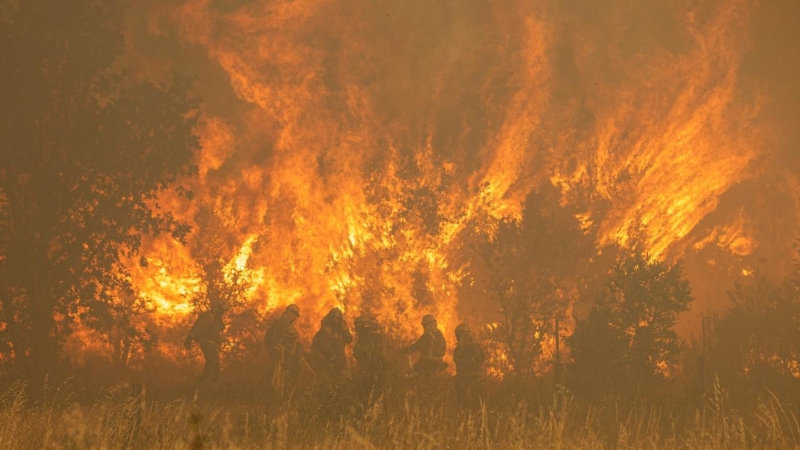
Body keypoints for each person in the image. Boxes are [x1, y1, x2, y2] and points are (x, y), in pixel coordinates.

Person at [264, 304, 305, 397]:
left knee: (280, 375)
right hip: (283, 354)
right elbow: (291, 337)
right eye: (294, 315)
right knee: (281, 376)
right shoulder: (283, 322)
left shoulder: (283, 322)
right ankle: (279, 395)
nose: (295, 318)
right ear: (289, 313)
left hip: (284, 353)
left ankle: (278, 394)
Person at [184, 301, 226, 384]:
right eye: (221, 310)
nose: (222, 312)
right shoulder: (208, 317)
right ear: (217, 308)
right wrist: (189, 339)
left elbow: (215, 332)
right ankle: (210, 383)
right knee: (213, 362)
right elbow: (196, 327)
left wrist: (219, 334)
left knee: (212, 362)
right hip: (206, 342)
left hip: (211, 343)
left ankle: (203, 382)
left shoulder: (216, 318)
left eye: (223, 311)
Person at [310, 307, 353, 382]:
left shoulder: (341, 330)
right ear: (330, 318)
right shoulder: (325, 332)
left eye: (338, 318)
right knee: (327, 384)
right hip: (325, 363)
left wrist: (345, 330)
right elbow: (324, 347)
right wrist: (334, 359)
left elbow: (349, 340)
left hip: (339, 363)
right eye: (334, 318)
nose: (336, 320)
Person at [353, 313, 390, 396]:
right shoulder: (363, 338)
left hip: (376, 372)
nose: (357, 329)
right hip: (368, 371)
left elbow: (376, 355)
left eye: (358, 327)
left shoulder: (374, 336)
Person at [453, 323, 485, 408]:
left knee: (462, 401)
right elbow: (482, 358)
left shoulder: (463, 347)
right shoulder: (475, 346)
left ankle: (464, 416)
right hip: (475, 377)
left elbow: (457, 360)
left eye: (457, 334)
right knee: (476, 400)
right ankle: (475, 417)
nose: (456, 337)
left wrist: (464, 364)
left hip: (465, 377)